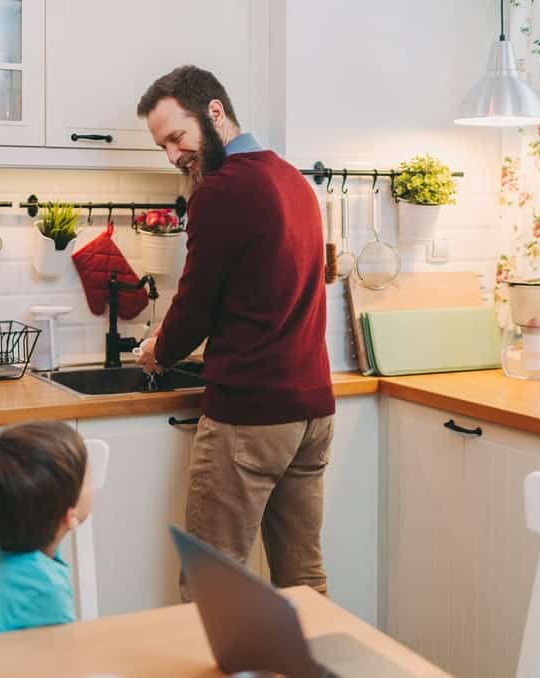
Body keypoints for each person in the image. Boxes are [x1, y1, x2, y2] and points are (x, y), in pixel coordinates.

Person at [134, 66, 335, 598]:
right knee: (304, 580)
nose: (174, 155)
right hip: (311, 411)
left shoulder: (221, 190)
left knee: (213, 585)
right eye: (163, 147)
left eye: (177, 137)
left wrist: (160, 349)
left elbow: (197, 301)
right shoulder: (293, 180)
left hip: (250, 413)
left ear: (214, 112)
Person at [0, 421, 94, 637]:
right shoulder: (44, 589)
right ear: (69, 516)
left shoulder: (13, 549)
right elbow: (59, 663)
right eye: (87, 477)